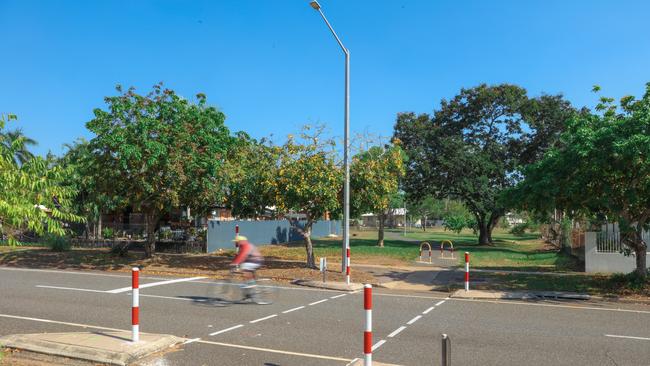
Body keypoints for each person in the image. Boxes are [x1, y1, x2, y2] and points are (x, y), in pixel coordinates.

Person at [230, 235, 266, 304]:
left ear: (241, 241)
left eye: (237, 242)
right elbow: (239, 255)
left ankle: (254, 290)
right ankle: (248, 294)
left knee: (245, 268)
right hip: (251, 261)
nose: (235, 243)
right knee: (246, 278)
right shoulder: (242, 246)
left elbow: (243, 255)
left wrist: (235, 263)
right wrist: (234, 262)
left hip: (256, 261)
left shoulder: (247, 246)